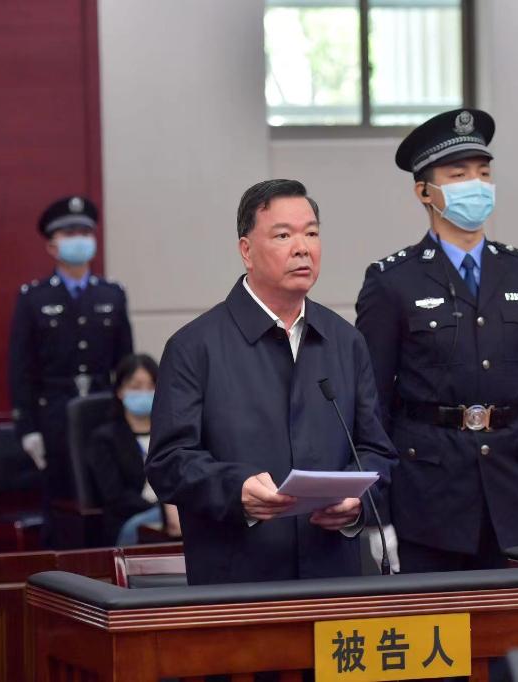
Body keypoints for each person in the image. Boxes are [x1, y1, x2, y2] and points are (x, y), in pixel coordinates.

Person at [146, 179, 396, 585]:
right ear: (246, 250)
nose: (302, 248)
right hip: (237, 581)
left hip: (333, 578)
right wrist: (235, 489)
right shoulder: (195, 346)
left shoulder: (345, 341)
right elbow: (168, 462)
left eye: (311, 233)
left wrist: (357, 503)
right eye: (283, 235)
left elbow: (376, 451)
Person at [356, 109, 518, 573]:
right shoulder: (393, 281)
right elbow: (370, 407)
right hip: (427, 499)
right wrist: (376, 514)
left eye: (484, 173)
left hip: (512, 493)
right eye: (459, 174)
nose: (477, 185)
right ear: (424, 192)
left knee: (507, 620)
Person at [7, 196, 133, 545]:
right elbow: (21, 370)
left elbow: (126, 365)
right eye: (69, 233)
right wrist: (27, 428)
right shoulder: (33, 298)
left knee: (107, 501)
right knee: (60, 508)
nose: (79, 239)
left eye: (84, 232)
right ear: (52, 245)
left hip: (102, 414)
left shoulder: (112, 294)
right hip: (54, 416)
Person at [85, 353, 180, 545]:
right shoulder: (104, 438)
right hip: (130, 517)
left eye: (151, 386)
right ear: (120, 391)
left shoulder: (172, 433)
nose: (144, 393)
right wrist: (162, 509)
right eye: (136, 387)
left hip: (175, 512)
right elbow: (115, 496)